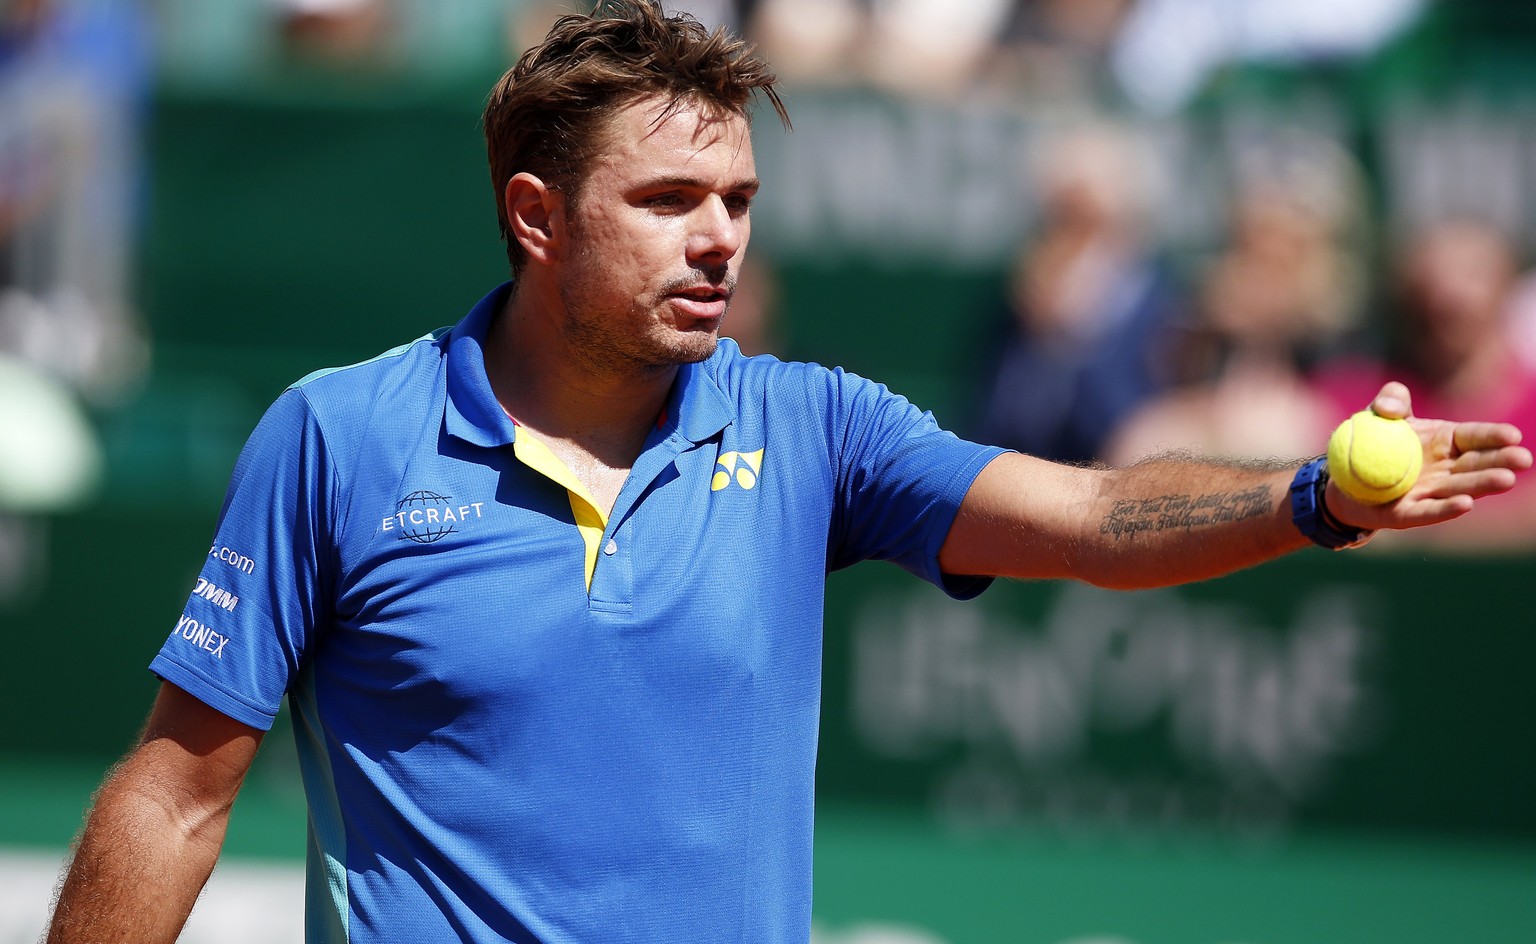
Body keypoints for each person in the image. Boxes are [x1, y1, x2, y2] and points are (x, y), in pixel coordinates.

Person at [43, 3, 1530, 943]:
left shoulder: (816, 425)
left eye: (740, 199)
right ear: (536, 216)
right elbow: (176, 794)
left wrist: (1312, 499)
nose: (721, 239)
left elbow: (1086, 518)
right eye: (671, 198)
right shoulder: (338, 436)